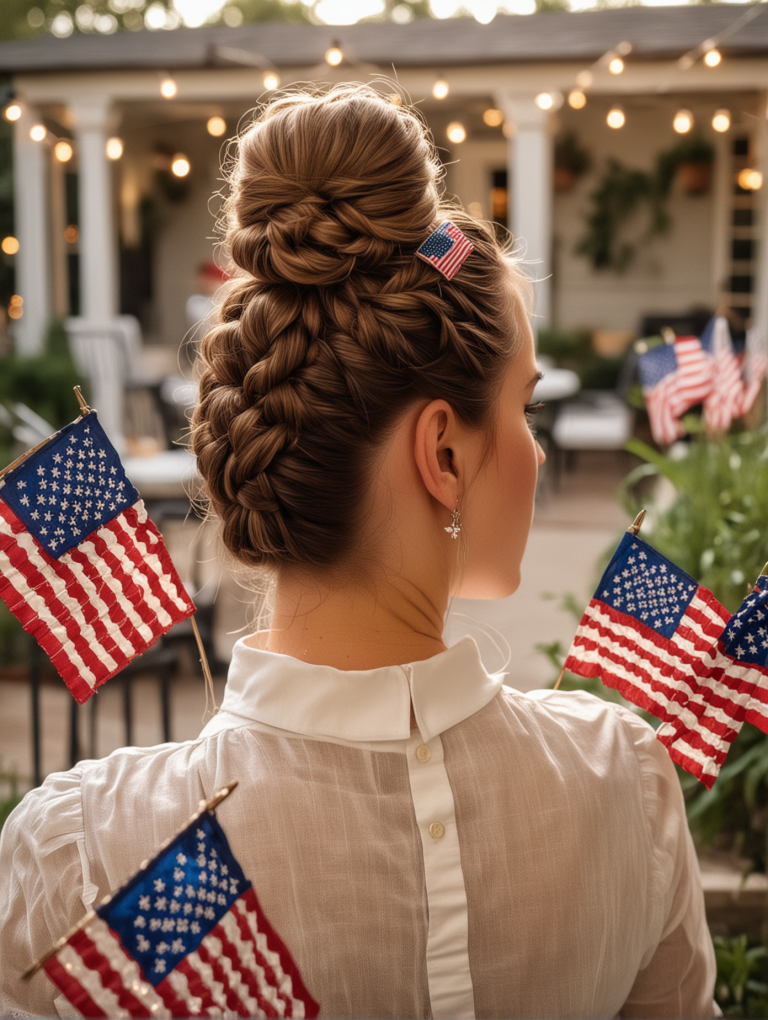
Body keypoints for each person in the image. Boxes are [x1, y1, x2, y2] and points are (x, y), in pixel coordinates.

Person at [0, 85, 717, 1018]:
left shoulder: (89, 853)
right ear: (445, 454)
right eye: (523, 408)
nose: (536, 449)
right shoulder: (624, 787)